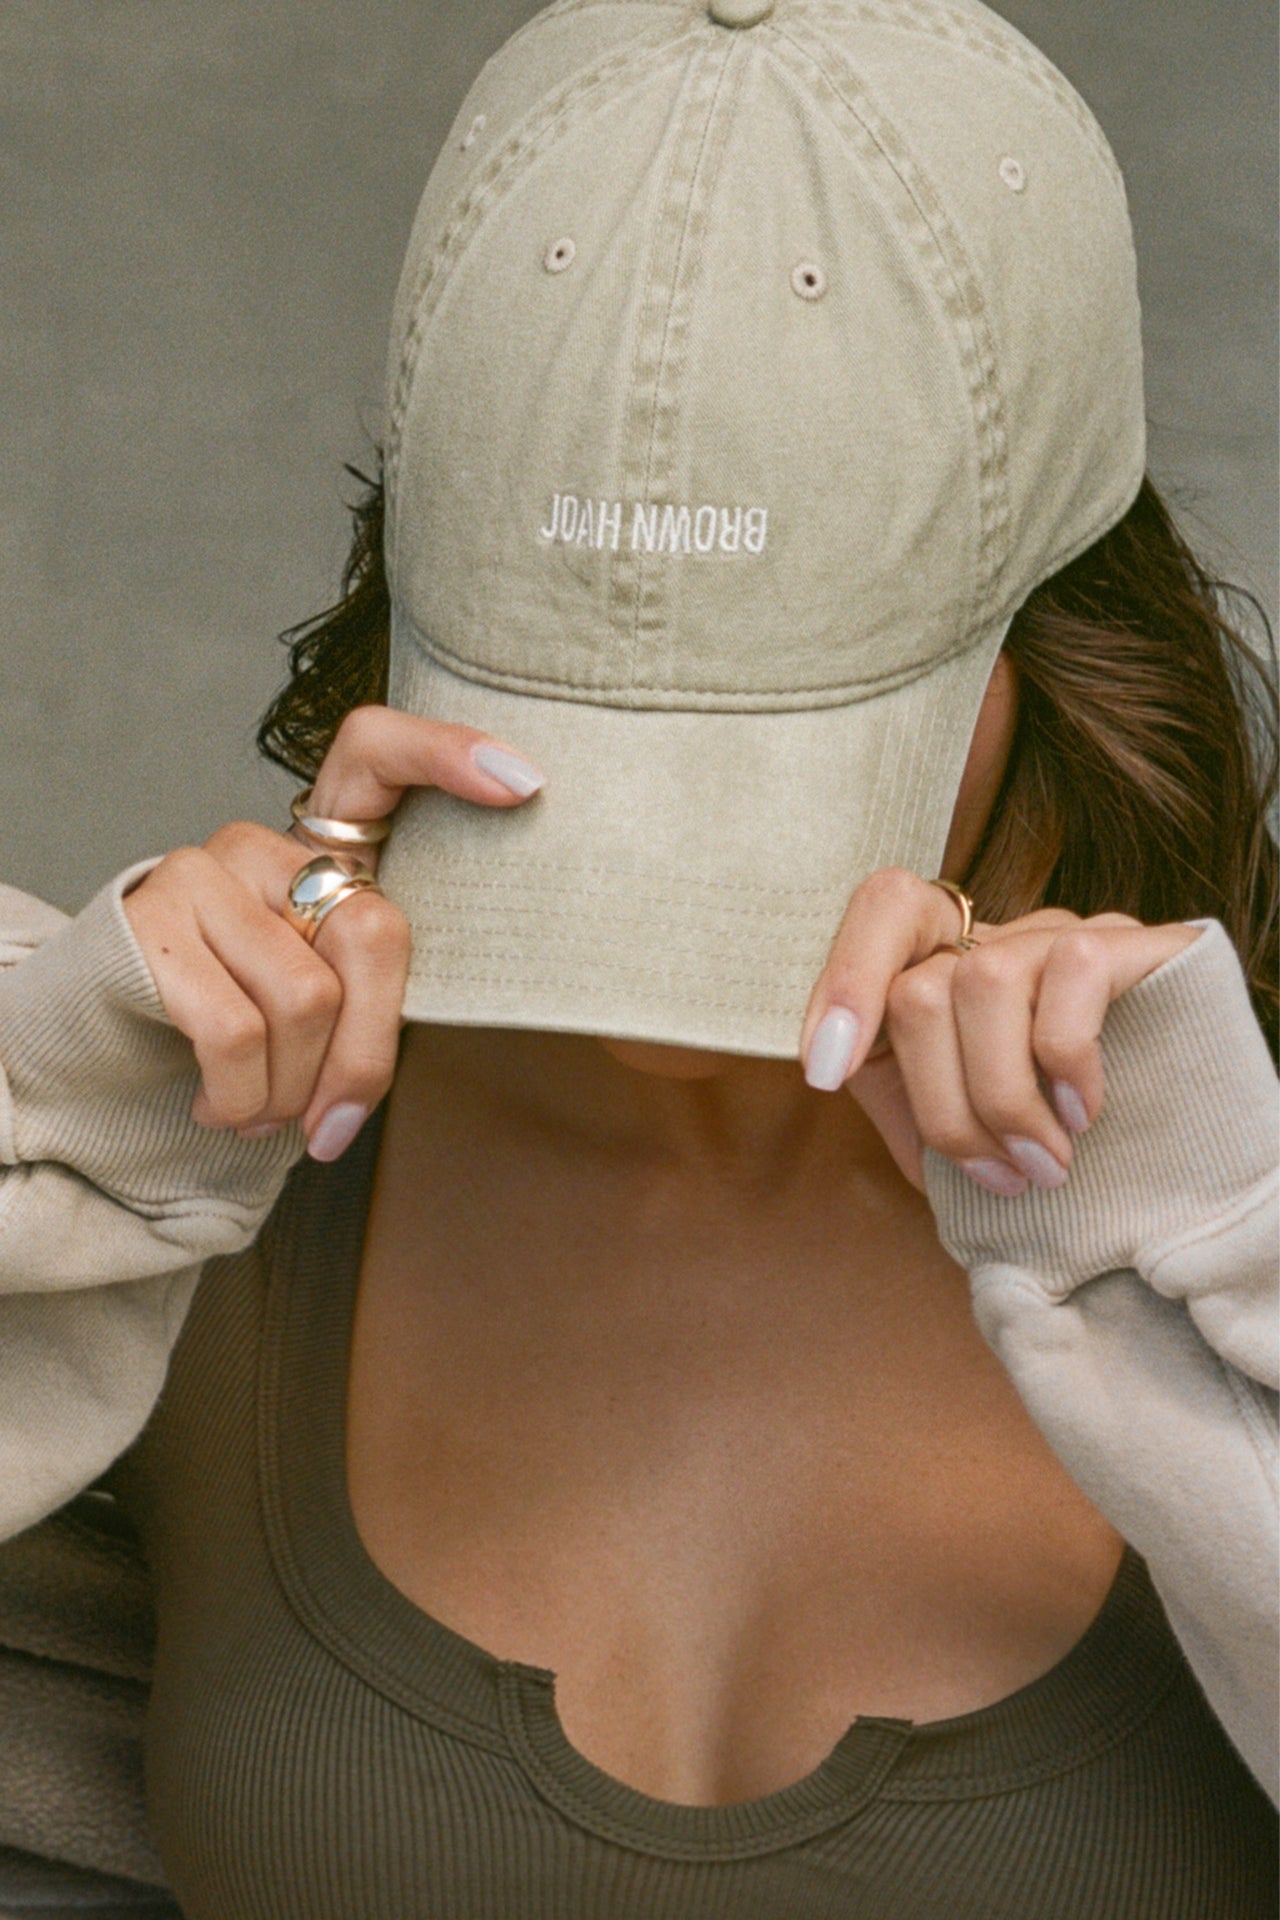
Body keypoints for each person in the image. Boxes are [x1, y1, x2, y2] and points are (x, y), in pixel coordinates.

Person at [0, 0, 1277, 1913]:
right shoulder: (213, 1172)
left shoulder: (1234, 1193)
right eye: (580, 736)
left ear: (1060, 642)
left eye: (784, 742)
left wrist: (1230, 1229)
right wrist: (49, 1117)